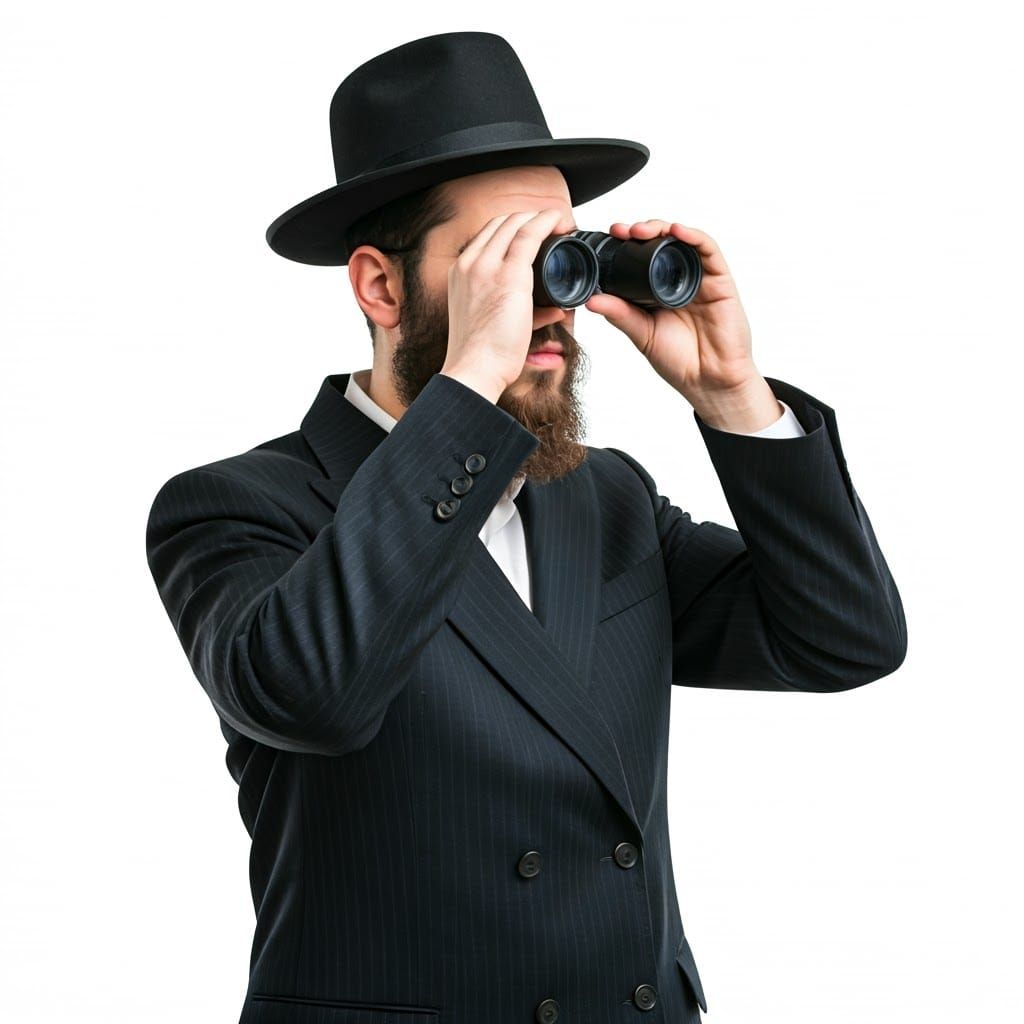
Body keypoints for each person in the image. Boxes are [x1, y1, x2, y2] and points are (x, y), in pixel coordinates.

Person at [145, 31, 907, 1024]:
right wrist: (471, 378)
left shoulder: (607, 500)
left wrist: (734, 396)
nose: (551, 301)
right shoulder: (240, 506)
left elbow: (841, 637)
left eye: (560, 256)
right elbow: (315, 694)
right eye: (502, 261)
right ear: (380, 286)